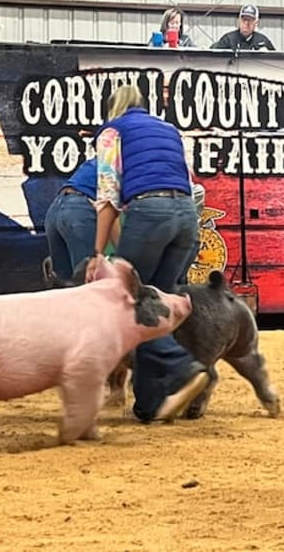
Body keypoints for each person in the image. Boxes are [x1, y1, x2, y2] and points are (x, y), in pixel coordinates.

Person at [93, 84, 209, 423]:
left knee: (124, 300)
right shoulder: (169, 130)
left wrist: (97, 253)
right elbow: (191, 184)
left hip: (150, 213)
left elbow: (108, 195)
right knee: (155, 306)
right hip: (186, 216)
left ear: (113, 107)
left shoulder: (112, 132)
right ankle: (149, 404)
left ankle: (183, 369)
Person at [44, 157, 98, 281]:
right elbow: (109, 206)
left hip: (55, 208)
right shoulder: (126, 164)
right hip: (80, 210)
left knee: (63, 286)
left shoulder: (99, 159)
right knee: (88, 284)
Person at [211, 4, 275, 51]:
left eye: (250, 20)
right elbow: (211, 55)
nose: (246, 23)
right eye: (244, 19)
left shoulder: (262, 41)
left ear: (256, 23)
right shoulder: (228, 39)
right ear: (239, 20)